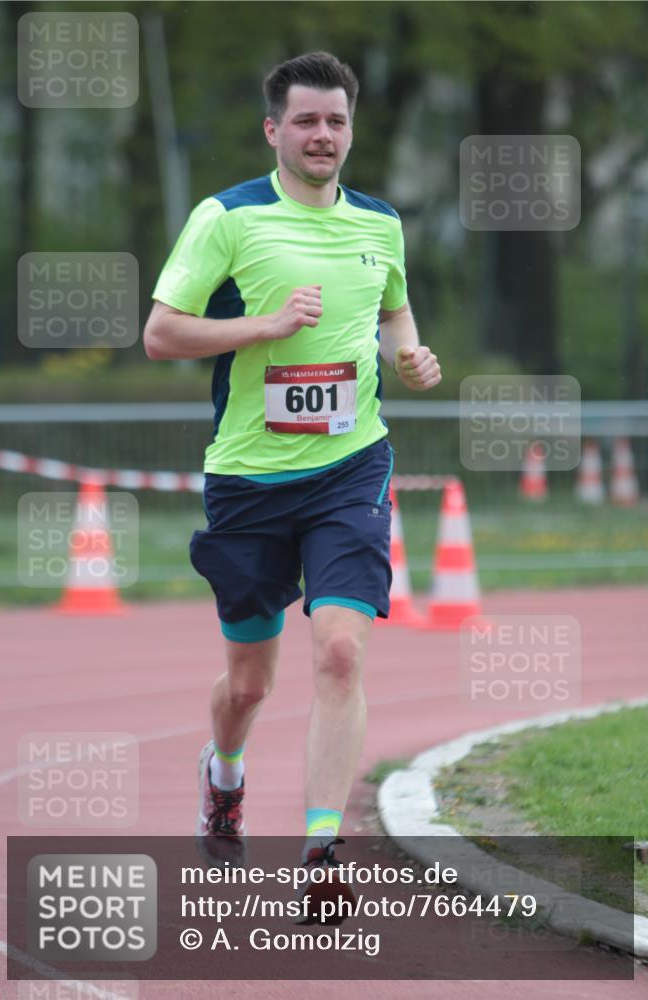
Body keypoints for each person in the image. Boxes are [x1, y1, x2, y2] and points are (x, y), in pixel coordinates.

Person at [144, 51, 441, 907]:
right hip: (246, 480)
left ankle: (321, 848)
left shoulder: (379, 223)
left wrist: (409, 356)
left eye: (336, 121)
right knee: (249, 682)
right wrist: (265, 327)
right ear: (273, 130)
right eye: (305, 121)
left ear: (351, 131)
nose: (322, 135)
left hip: (351, 466)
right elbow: (162, 335)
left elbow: (391, 313)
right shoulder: (226, 219)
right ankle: (224, 773)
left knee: (341, 651)